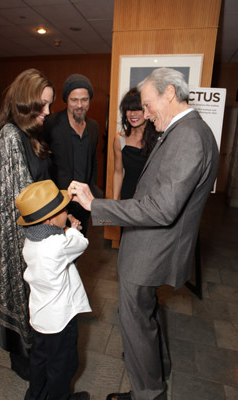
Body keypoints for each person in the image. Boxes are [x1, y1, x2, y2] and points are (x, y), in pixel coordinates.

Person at [68, 68, 219, 400]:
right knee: (146, 315)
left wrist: (98, 206)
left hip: (151, 250)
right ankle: (158, 372)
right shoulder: (187, 130)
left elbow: (163, 208)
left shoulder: (189, 136)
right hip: (154, 246)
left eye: (149, 105)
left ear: (168, 95)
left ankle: (147, 393)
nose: (146, 115)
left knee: (135, 322)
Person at [0, 68, 55, 380]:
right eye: (42, 105)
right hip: (25, 241)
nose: (47, 112)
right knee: (27, 302)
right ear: (24, 102)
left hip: (41, 235)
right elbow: (23, 198)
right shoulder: (10, 135)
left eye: (48, 105)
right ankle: (30, 370)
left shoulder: (31, 132)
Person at [15, 179, 91, 400]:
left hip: (39, 317)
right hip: (61, 320)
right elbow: (81, 244)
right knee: (63, 365)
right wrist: (72, 229)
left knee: (39, 361)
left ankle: (35, 396)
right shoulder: (58, 245)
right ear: (49, 219)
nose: (67, 211)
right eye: (63, 210)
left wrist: (63, 227)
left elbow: (55, 237)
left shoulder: (31, 241)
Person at [44, 73, 100, 236]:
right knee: (59, 253)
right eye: (74, 100)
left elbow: (93, 162)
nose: (79, 105)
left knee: (78, 246)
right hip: (58, 205)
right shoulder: (51, 124)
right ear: (66, 100)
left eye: (84, 99)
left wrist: (92, 193)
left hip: (83, 203)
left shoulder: (93, 126)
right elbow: (44, 165)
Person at [113, 87, 158, 200]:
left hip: (151, 200)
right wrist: (114, 203)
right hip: (127, 198)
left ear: (147, 110)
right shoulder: (120, 139)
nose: (133, 114)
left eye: (137, 109)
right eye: (128, 109)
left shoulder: (159, 138)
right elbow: (118, 173)